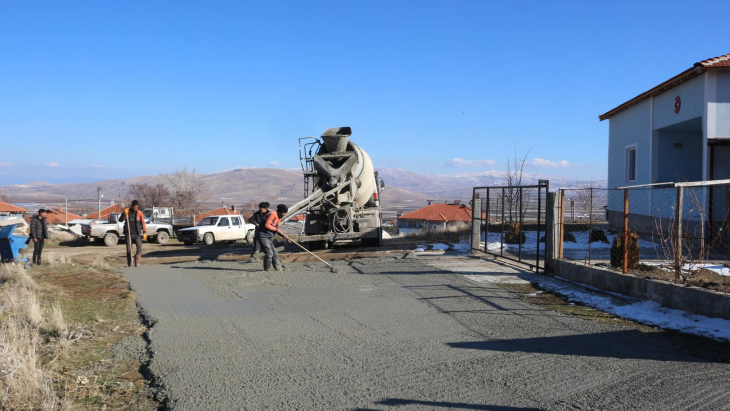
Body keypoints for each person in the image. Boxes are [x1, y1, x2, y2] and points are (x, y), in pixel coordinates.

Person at [257, 204, 289, 271]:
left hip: (268, 237)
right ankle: (267, 270)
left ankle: (278, 268)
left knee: (275, 253)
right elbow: (267, 225)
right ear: (281, 211)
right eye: (284, 213)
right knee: (269, 253)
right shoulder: (273, 214)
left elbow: (277, 228)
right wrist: (276, 230)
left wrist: (283, 234)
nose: (285, 214)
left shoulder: (279, 217)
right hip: (263, 236)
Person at [119, 200, 147, 267]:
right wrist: (123, 214)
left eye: (137, 207)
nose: (135, 208)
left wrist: (144, 232)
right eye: (134, 207)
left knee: (139, 249)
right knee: (129, 250)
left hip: (137, 234)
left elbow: (143, 223)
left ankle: (137, 263)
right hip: (129, 234)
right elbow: (120, 220)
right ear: (132, 206)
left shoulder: (139, 213)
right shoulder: (127, 212)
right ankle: (130, 264)